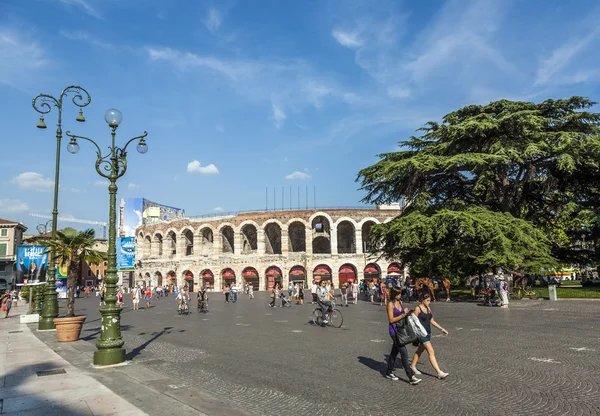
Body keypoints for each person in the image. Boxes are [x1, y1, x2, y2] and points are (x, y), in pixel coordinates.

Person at [386, 286, 421, 385]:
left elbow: (403, 316)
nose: (400, 295)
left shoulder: (400, 302)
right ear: (393, 294)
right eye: (398, 294)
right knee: (404, 353)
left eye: (400, 293)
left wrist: (407, 313)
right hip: (394, 331)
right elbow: (391, 320)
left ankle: (389, 371)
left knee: (394, 352)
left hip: (401, 330)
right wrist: (403, 314)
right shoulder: (390, 304)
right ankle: (411, 376)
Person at [410, 293, 449, 379]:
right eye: (427, 301)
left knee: (420, 350)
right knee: (431, 352)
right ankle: (439, 372)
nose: (429, 302)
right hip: (422, 334)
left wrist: (442, 329)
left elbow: (432, 320)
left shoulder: (428, 309)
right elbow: (413, 322)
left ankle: (412, 366)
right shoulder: (417, 309)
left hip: (428, 333)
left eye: (429, 301)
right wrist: (414, 334)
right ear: (422, 300)